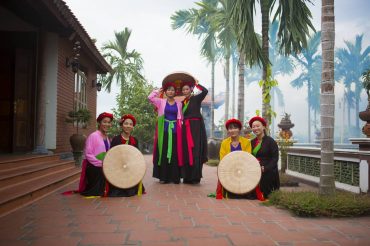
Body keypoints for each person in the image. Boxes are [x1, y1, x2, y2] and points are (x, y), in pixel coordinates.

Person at [148, 83, 183, 184]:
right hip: (164, 130)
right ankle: (163, 177)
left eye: (172, 90)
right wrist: (158, 90)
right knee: (163, 152)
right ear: (166, 92)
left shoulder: (179, 104)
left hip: (176, 131)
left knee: (175, 153)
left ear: (175, 92)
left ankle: (175, 177)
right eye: (168, 90)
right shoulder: (161, 102)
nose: (170, 91)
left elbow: (181, 117)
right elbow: (150, 97)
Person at [215, 118, 253, 199]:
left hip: (243, 170)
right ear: (228, 130)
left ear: (239, 129)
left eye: (235, 128)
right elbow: (223, 159)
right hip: (229, 170)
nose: (233, 130)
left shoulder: (246, 142)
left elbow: (248, 158)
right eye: (230, 128)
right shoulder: (224, 143)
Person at [78, 112, 113, 197]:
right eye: (104, 122)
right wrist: (101, 163)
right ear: (99, 123)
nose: (107, 124)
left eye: (109, 122)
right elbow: (88, 154)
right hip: (94, 167)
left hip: (103, 166)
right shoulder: (93, 136)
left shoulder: (107, 137)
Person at [109, 114, 145, 196]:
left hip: (130, 169)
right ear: (121, 125)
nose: (128, 126)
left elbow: (137, 156)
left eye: (130, 124)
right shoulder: (116, 139)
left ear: (133, 127)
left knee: (131, 191)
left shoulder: (134, 140)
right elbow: (111, 156)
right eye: (126, 123)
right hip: (117, 169)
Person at [181, 81, 208, 184]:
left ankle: (195, 177)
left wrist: (197, 84)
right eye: (183, 90)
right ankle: (186, 177)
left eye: (187, 89)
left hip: (196, 128)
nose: (185, 91)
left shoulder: (196, 98)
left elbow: (205, 91)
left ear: (191, 90)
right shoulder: (182, 102)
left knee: (195, 150)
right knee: (186, 151)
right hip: (186, 128)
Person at [249, 116, 280, 199]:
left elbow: (275, 159)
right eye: (253, 127)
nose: (255, 128)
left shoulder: (271, 142)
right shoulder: (251, 142)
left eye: (258, 126)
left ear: (263, 127)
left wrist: (265, 168)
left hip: (268, 171)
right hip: (255, 170)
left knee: (266, 195)